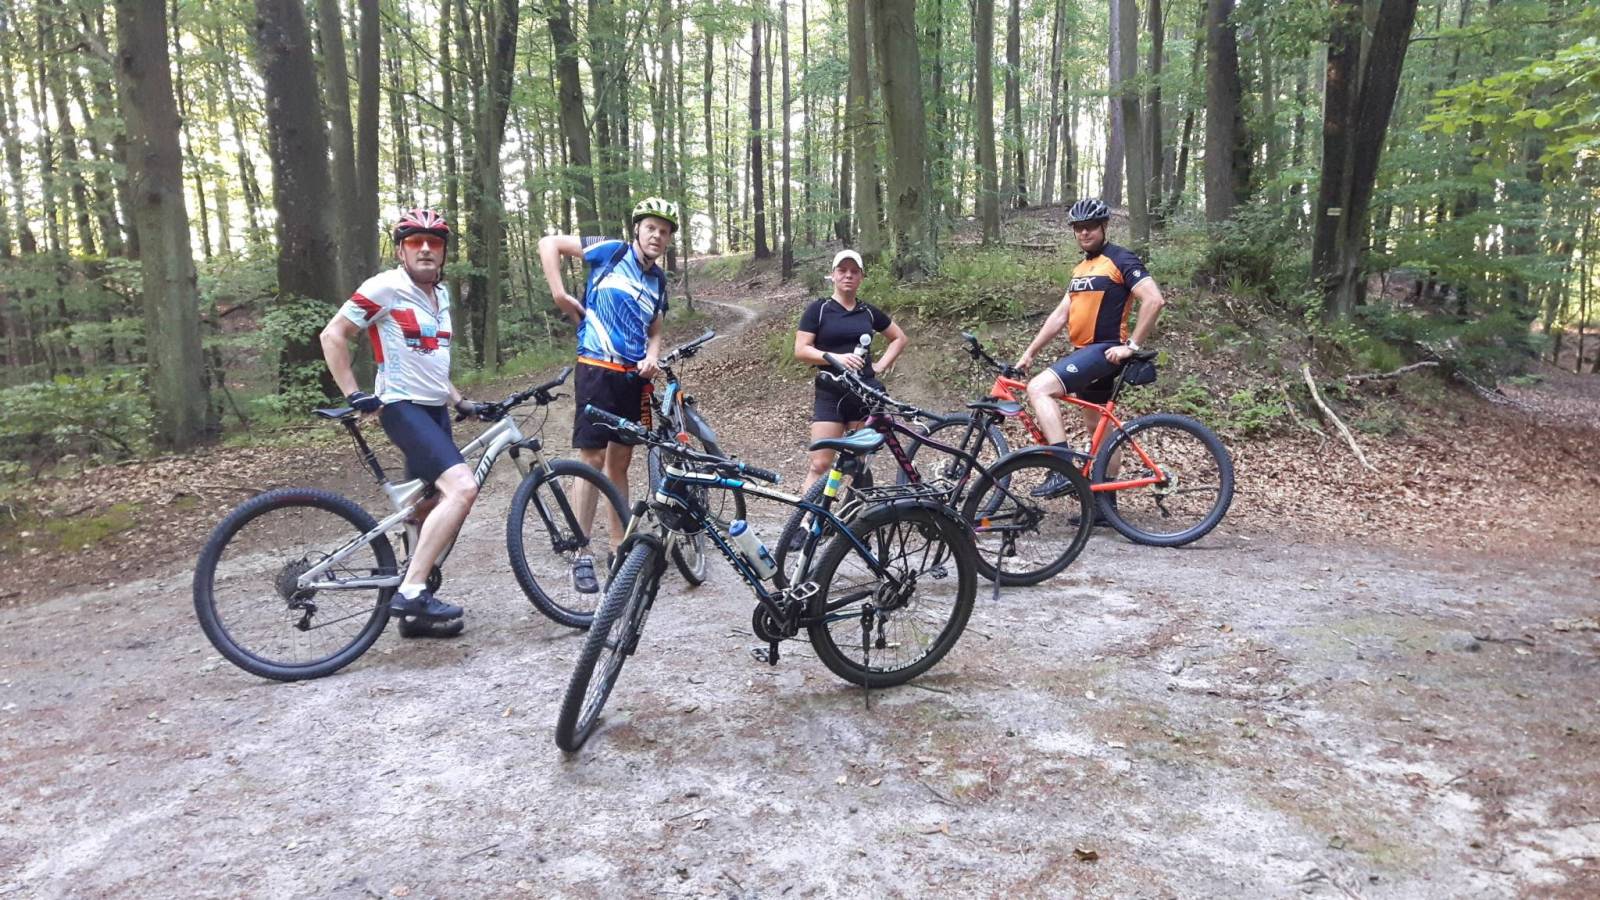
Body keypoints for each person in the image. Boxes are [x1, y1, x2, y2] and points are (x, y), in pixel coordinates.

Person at [320, 207, 495, 638]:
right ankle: (412, 590)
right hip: (402, 407)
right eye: (415, 242)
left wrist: (460, 401)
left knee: (424, 508)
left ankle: (415, 617)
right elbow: (333, 334)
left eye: (434, 243)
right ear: (401, 250)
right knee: (463, 488)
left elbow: (431, 359)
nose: (425, 249)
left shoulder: (441, 296)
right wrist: (354, 393)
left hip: (434, 409)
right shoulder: (385, 287)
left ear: (443, 253)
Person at [538, 197, 676, 594]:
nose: (657, 236)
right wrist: (559, 293)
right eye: (651, 228)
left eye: (664, 232)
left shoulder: (658, 280)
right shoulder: (611, 251)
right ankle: (580, 551)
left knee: (620, 463)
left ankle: (619, 546)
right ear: (638, 229)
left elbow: (655, 328)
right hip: (597, 367)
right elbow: (549, 243)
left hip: (633, 377)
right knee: (592, 459)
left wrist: (652, 356)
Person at [1015, 198, 1167, 499]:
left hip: (1104, 350)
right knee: (1097, 426)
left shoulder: (1121, 259)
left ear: (1104, 226)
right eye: (1078, 228)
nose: (1084, 232)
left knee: (1039, 388)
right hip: (1084, 351)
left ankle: (1061, 469)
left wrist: (1132, 346)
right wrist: (1030, 351)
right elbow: (1060, 315)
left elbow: (1154, 300)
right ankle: (1104, 505)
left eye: (1091, 226)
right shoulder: (1081, 269)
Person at [793, 249, 909, 498]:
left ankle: (850, 516)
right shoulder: (819, 309)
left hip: (863, 394)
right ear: (833, 275)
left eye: (854, 271)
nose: (848, 275)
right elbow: (801, 350)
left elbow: (899, 338)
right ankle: (809, 517)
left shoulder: (868, 312)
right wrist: (833, 358)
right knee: (820, 464)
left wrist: (878, 366)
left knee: (857, 465)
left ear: (861, 277)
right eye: (842, 270)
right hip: (830, 392)